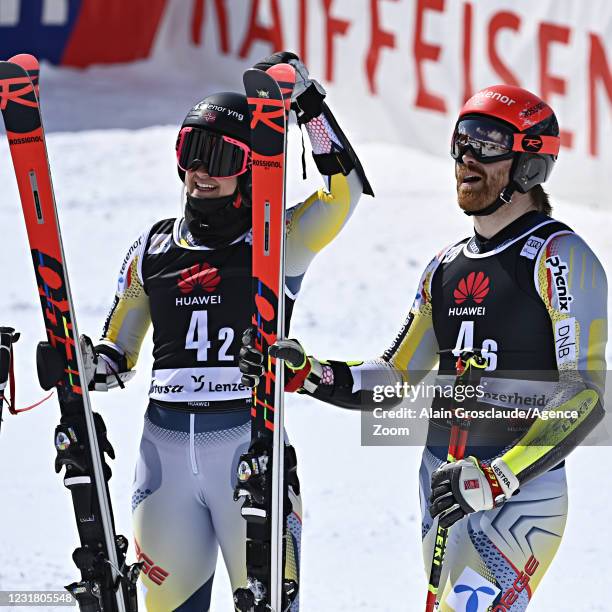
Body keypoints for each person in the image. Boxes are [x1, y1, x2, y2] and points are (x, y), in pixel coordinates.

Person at [240, 85, 608, 611]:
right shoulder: (445, 267)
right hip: (443, 482)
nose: (466, 157)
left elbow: (585, 395)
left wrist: (499, 475)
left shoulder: (559, 255)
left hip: (518, 497)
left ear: (528, 164)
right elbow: (393, 379)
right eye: (461, 142)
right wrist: (309, 374)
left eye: (487, 144)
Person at [82, 51, 372, 611]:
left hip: (249, 447)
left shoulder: (278, 240)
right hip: (162, 456)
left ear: (250, 167)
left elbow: (345, 194)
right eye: (191, 152)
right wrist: (84, 365)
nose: (201, 170)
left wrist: (308, 103)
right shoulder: (152, 248)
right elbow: (119, 353)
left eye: (217, 155)